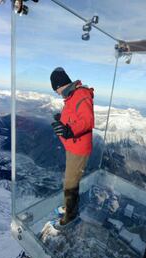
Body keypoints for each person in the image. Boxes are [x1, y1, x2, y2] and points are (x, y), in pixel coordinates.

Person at [49, 67, 95, 228]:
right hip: (73, 146)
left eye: (56, 88)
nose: (56, 92)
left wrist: (69, 130)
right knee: (69, 180)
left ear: (60, 85)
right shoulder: (71, 96)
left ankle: (70, 216)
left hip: (78, 149)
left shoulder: (81, 94)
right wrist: (61, 120)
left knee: (70, 183)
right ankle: (69, 206)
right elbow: (74, 117)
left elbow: (88, 121)